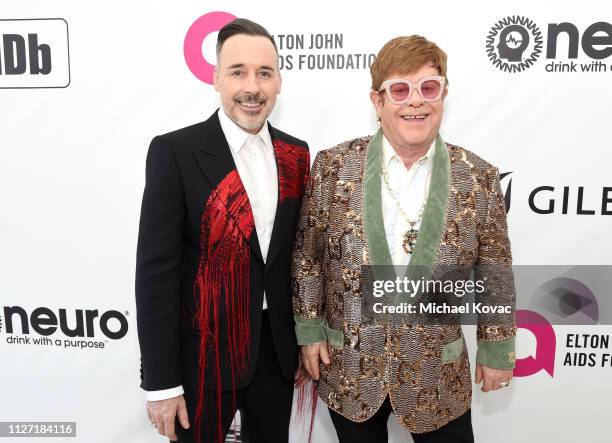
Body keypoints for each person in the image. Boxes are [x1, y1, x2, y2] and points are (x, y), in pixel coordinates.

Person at [292, 35, 516, 443]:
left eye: (428, 88)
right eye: (400, 90)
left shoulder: (479, 177)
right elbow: (308, 256)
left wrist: (497, 349)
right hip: (350, 370)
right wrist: (309, 332)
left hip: (438, 378)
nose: (416, 101)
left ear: (443, 95)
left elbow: (495, 271)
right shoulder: (332, 166)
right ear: (377, 102)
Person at [136, 18, 310, 443]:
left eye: (264, 73)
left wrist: (303, 341)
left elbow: (295, 259)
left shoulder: (296, 153)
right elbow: (156, 275)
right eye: (238, 72)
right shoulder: (174, 152)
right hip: (202, 359)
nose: (252, 86)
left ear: (279, 82)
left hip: (276, 356)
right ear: (215, 78)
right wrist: (161, 382)